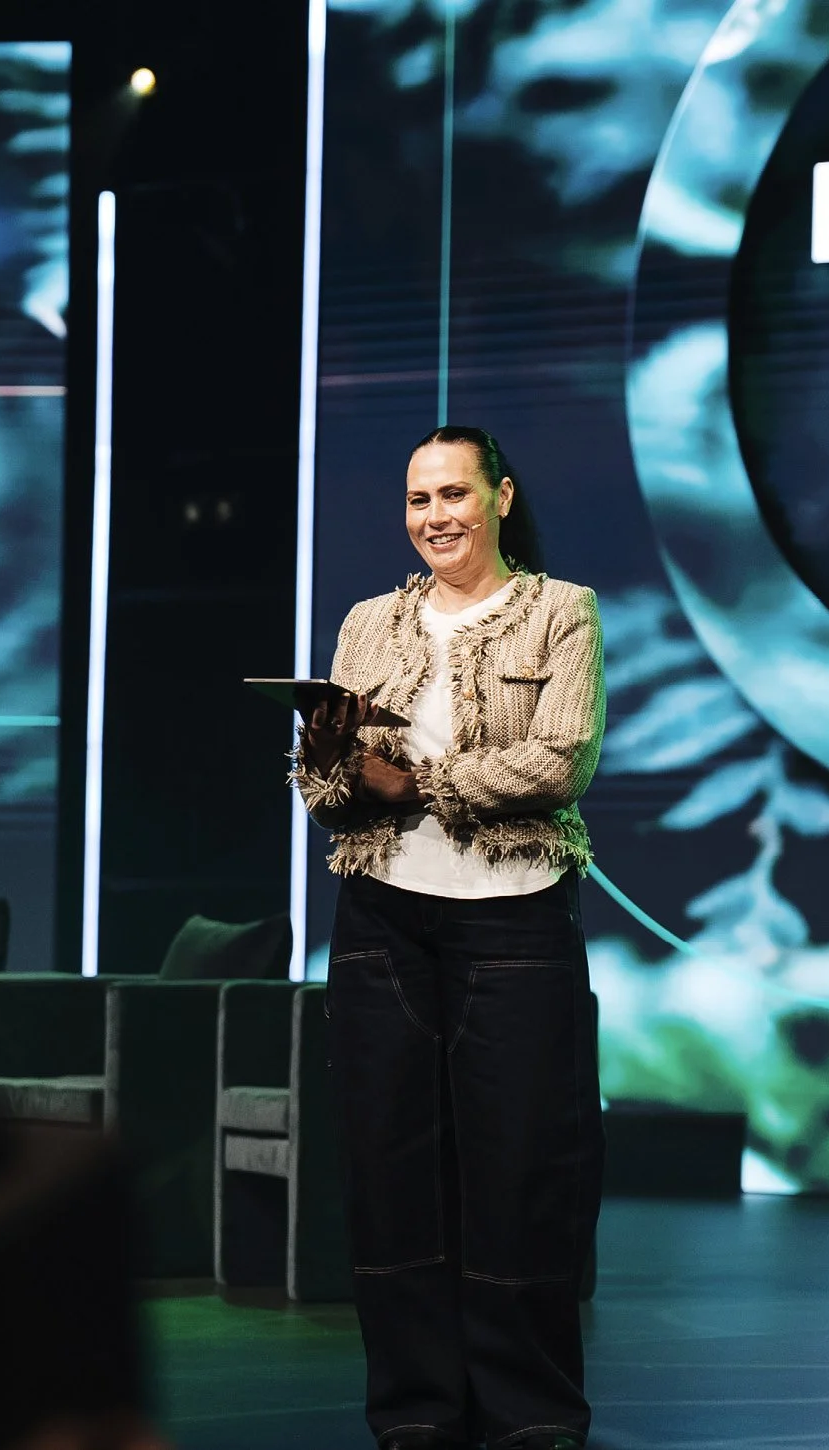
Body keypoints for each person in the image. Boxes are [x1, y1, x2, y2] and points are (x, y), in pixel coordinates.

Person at [290, 426, 606, 1450]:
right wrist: (331, 765)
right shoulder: (366, 623)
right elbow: (329, 797)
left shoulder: (561, 611)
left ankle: (529, 1413)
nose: (436, 516)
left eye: (455, 494)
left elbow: (559, 761)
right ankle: (415, 1411)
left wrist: (415, 783)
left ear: (500, 498)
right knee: (389, 1172)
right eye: (419, 499)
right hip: (381, 917)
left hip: (515, 918)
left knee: (520, 1171)